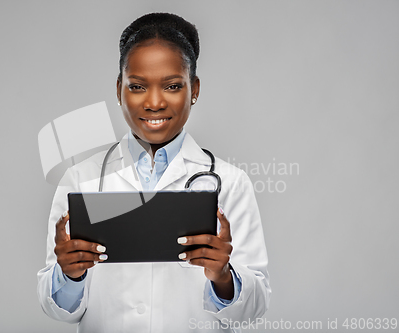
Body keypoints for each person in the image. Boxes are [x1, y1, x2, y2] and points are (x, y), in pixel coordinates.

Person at [37, 12, 271, 332]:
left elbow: (254, 307)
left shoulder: (230, 184)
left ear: (195, 89)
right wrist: (69, 273)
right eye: (137, 86)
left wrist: (223, 276)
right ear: (120, 89)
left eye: (173, 86)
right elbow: (60, 310)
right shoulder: (80, 180)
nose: (155, 102)